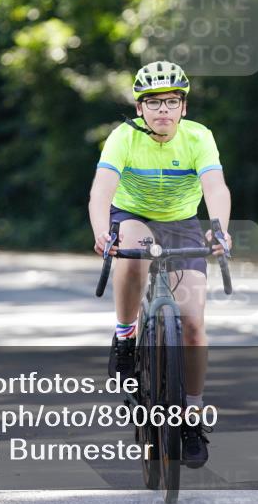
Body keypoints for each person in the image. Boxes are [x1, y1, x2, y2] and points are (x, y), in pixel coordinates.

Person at [88, 61, 232, 469]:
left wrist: (218, 228)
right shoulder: (122, 138)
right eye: (154, 103)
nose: (163, 110)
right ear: (140, 109)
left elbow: (215, 187)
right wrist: (103, 231)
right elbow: (101, 191)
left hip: (182, 223)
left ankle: (190, 416)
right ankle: (125, 335)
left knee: (192, 321)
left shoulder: (199, 137)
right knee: (134, 251)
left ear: (183, 107)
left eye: (171, 102)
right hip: (131, 216)